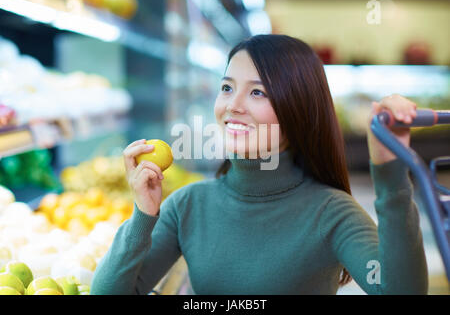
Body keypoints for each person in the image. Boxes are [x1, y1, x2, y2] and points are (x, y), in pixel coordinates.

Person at [91, 34, 428, 295]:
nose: (233, 106)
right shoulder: (187, 205)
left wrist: (392, 177)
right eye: (227, 87)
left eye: (258, 93)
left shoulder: (332, 212)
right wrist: (142, 216)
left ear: (298, 109)